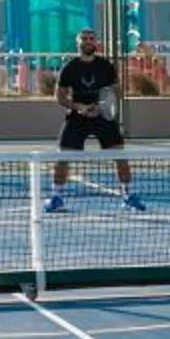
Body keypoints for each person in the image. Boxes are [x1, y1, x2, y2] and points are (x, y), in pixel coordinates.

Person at [45, 29, 143, 212]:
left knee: (120, 156)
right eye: (84, 39)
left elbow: (116, 91)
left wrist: (101, 107)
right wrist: (79, 107)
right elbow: (59, 96)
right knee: (62, 156)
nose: (88, 41)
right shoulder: (69, 67)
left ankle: (129, 195)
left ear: (96, 42)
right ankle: (56, 196)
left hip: (103, 116)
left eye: (91, 39)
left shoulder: (105, 65)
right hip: (77, 117)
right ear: (78, 43)